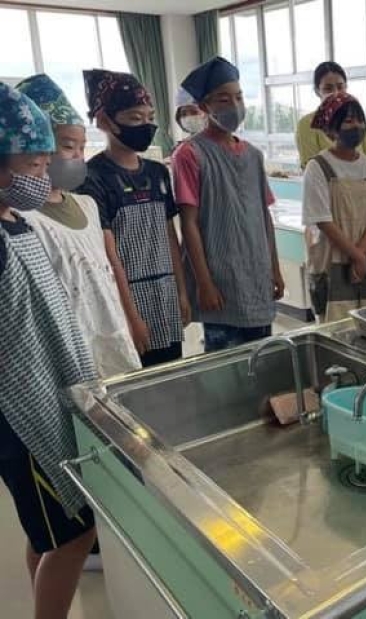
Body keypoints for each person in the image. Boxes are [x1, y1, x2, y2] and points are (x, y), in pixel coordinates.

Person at [0, 83, 97, 619]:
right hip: (23, 419)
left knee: (45, 535)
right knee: (73, 537)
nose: (42, 178)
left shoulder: (15, 221)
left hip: (51, 398)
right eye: (33, 166)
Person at [16, 73, 141, 378]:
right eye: (69, 146)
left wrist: (129, 322)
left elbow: (107, 275)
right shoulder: (23, 220)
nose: (78, 156)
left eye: (83, 147)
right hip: (64, 355)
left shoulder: (87, 205)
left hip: (111, 340)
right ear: (37, 148)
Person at [79, 69, 189, 368]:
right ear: (104, 121)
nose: (145, 125)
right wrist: (131, 317)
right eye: (134, 118)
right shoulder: (93, 179)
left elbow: (170, 236)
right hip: (127, 299)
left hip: (164, 292)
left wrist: (181, 292)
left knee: (171, 375)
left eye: (149, 117)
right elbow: (109, 257)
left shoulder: (157, 173)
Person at [174, 56, 284, 352]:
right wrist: (205, 283)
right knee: (227, 369)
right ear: (205, 106)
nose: (233, 105)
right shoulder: (190, 154)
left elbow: (264, 217)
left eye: (238, 97)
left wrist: (275, 268)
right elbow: (190, 224)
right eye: (223, 99)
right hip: (221, 281)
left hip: (256, 274)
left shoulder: (253, 155)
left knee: (261, 363)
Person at [302, 92, 366, 322]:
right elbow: (323, 220)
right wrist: (356, 256)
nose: (357, 126)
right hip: (330, 257)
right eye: (349, 121)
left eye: (360, 120)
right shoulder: (318, 167)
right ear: (331, 129)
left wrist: (360, 255)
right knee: (332, 324)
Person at [295, 61, 366, 169]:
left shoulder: (358, 121)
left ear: (346, 87)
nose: (336, 93)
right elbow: (311, 170)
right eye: (328, 89)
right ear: (317, 91)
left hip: (363, 184)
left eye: (340, 87)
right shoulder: (308, 124)